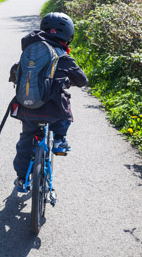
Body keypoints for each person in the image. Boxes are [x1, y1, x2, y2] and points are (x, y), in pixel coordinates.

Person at [9, 12, 88, 190]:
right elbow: (82, 80)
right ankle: (59, 140)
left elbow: (15, 72)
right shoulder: (63, 56)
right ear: (69, 35)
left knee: (26, 141)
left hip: (27, 109)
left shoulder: (31, 51)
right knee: (63, 105)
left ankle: (21, 179)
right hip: (54, 112)